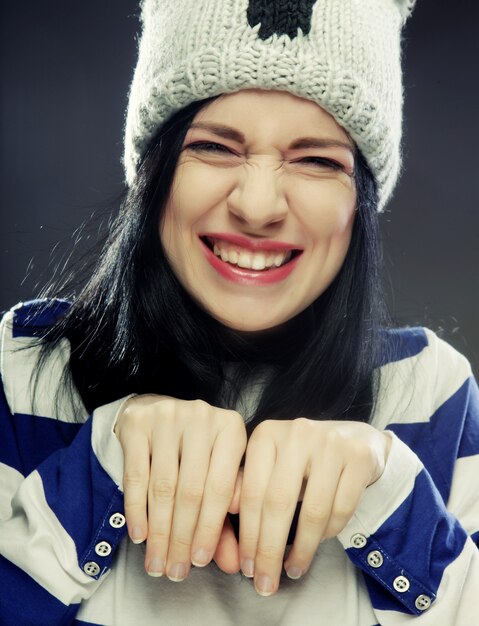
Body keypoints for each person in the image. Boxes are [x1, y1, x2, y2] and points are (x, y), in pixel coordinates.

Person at [1, 0, 478, 624]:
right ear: (153, 169)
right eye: (215, 148)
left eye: (316, 160)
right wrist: (100, 466)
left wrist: (386, 494)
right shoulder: (26, 368)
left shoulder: (430, 393)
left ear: (360, 201)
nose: (257, 207)